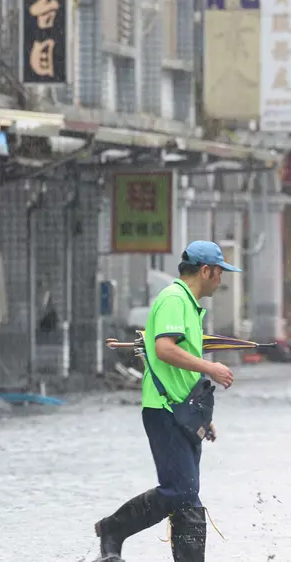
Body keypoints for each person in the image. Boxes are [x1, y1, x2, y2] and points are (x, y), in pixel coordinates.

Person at [92, 241, 239, 562]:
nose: (221, 280)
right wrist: (211, 368)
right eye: (219, 273)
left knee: (186, 498)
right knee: (181, 493)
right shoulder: (174, 299)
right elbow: (165, 350)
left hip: (181, 411)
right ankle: (113, 528)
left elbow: (180, 365)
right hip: (164, 410)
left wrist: (200, 415)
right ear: (205, 271)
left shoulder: (188, 303)